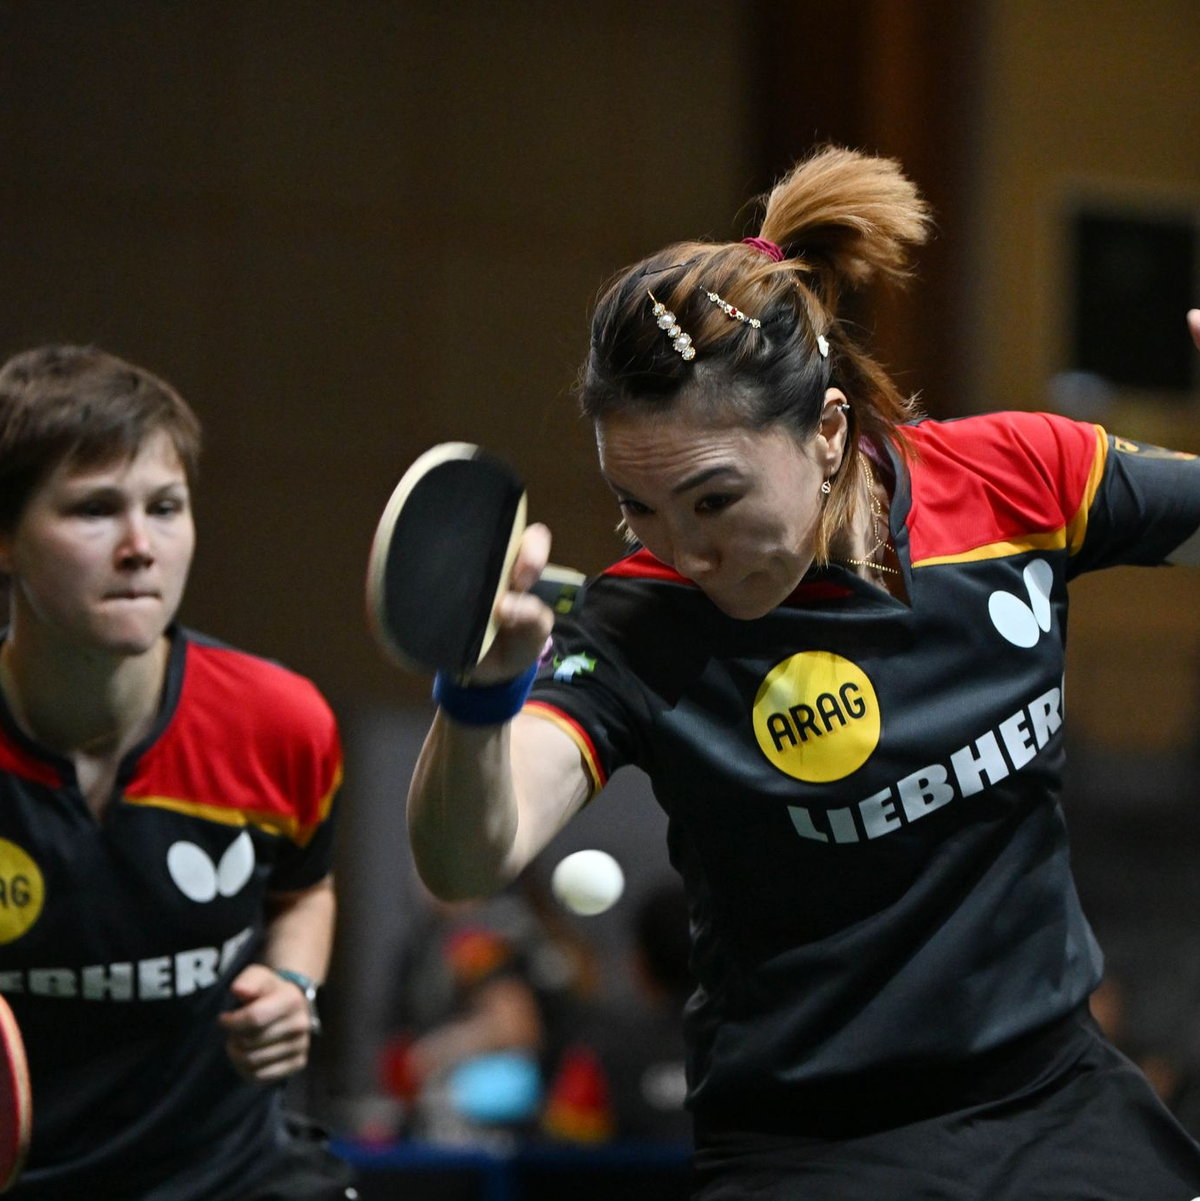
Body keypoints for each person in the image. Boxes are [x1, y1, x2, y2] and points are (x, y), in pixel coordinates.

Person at [406, 144, 1200, 1198]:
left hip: (1050, 1099)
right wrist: (475, 698)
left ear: (828, 431)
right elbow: (472, 853)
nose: (681, 549)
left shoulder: (1015, 482)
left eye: (713, 500)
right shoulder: (640, 621)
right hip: (813, 1146)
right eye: (636, 509)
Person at [0, 345, 354, 1199]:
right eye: (92, 510)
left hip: (235, 1177)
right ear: (5, 538)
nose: (139, 547)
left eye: (165, 507)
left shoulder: (278, 721)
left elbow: (306, 888)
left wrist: (294, 984)